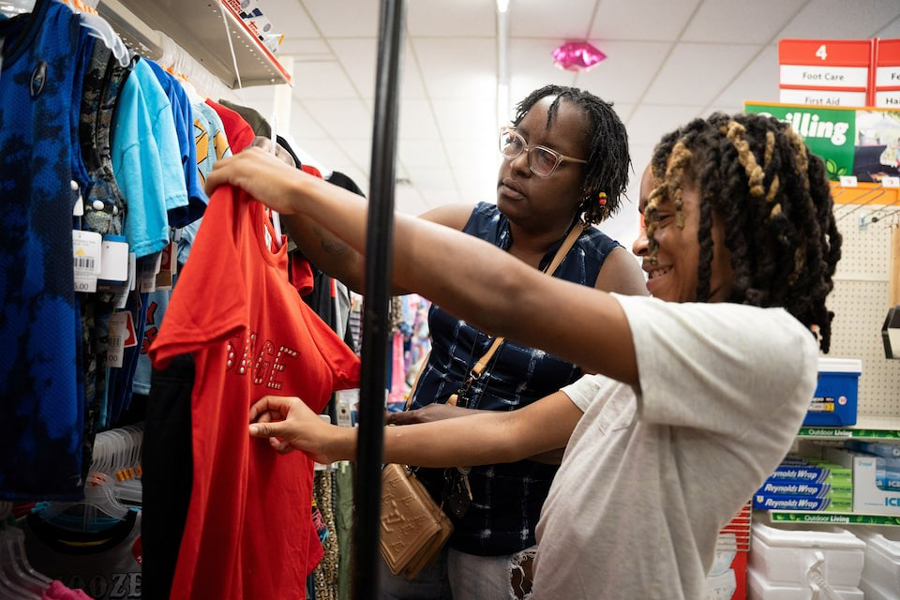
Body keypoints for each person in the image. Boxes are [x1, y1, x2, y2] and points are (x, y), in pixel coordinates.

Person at [206, 110, 842, 599]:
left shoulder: (768, 349)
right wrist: (334, 441)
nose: (645, 241)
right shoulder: (665, 343)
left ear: (733, 222)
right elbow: (507, 433)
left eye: (667, 215)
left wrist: (303, 192)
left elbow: (507, 294)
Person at [243, 85, 647, 599]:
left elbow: (609, 430)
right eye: (516, 142)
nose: (520, 164)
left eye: (546, 157)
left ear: (589, 183)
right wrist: (286, 183)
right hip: (409, 503)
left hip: (513, 536)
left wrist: (489, 429)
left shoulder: (610, 274)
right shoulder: (466, 227)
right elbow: (357, 265)